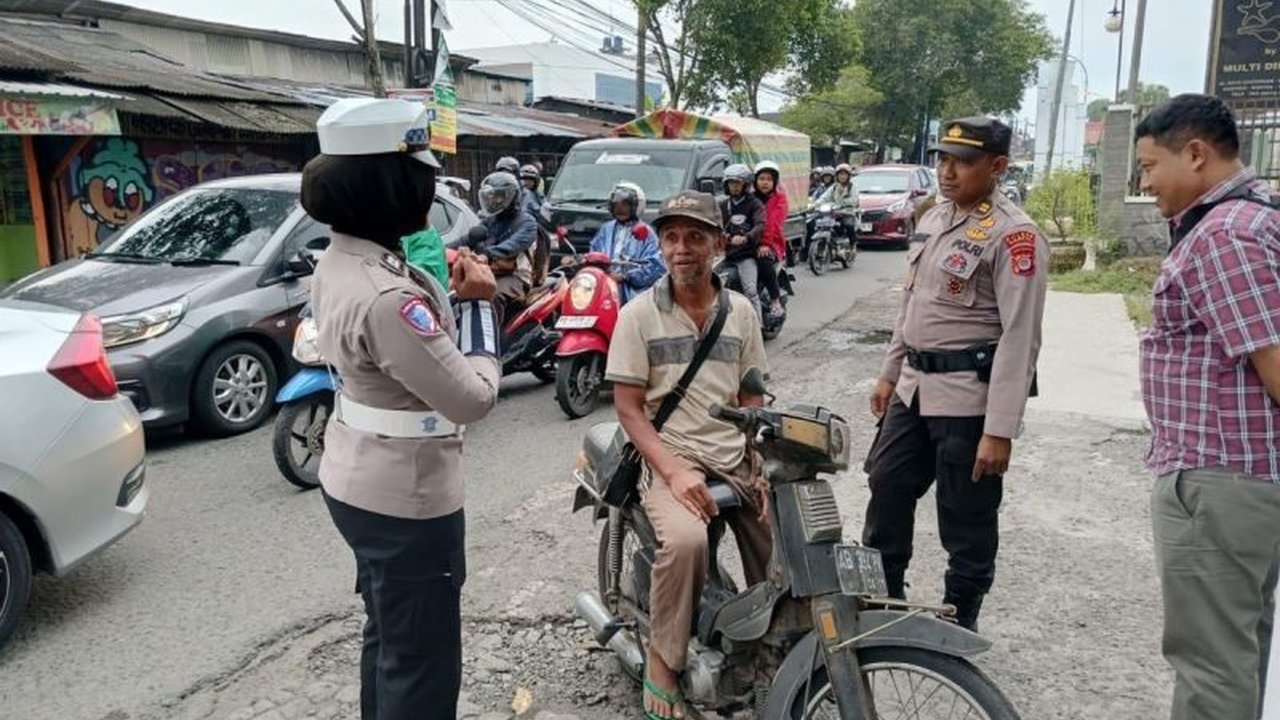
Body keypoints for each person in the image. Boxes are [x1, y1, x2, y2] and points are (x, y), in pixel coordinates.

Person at [302, 97, 501, 720]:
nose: (430, 189)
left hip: (357, 480)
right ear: (388, 189)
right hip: (408, 501)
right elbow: (472, 398)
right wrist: (479, 309)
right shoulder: (387, 296)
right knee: (423, 664)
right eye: (420, 175)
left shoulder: (341, 260)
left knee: (389, 636)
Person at [862, 116, 1049, 632]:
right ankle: (884, 602)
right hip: (913, 388)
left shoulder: (1015, 236)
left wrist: (999, 429)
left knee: (964, 517)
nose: (947, 171)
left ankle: (957, 620)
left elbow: (1020, 338)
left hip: (968, 401)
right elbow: (912, 305)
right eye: (943, 158)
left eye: (962, 161)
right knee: (886, 485)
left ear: (997, 166)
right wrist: (887, 373)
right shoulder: (933, 219)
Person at [1135, 94, 1280, 720]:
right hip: (1239, 476)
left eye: (1148, 166)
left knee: (1212, 665)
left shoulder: (1224, 236)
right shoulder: (1257, 219)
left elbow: (1274, 362)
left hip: (1221, 476)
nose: (1144, 184)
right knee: (1240, 649)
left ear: (1195, 154)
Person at [604, 190, 772, 720]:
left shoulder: (741, 311)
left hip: (733, 456)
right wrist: (674, 473)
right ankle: (663, 660)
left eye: (695, 237)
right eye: (672, 237)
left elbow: (752, 396)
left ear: (718, 244)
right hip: (670, 454)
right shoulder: (637, 316)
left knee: (785, 541)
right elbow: (629, 410)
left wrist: (761, 461)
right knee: (686, 540)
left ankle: (775, 644)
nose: (682, 249)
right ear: (660, 245)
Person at [587, 181, 665, 303]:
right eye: (616, 205)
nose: (620, 209)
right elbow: (594, 254)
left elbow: (657, 266)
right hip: (604, 288)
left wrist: (626, 276)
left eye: (625, 205)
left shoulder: (647, 233)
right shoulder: (606, 229)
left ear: (636, 206)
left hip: (634, 295)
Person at [475, 171, 538, 319]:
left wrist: (486, 254)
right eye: (491, 196)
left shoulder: (527, 222)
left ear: (511, 197)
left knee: (493, 296)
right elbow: (467, 239)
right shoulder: (490, 220)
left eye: (499, 196)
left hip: (515, 276)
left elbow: (511, 247)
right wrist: (444, 249)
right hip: (487, 272)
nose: (494, 200)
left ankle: (491, 339)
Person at [719, 163, 766, 320]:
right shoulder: (723, 205)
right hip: (725, 253)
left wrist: (746, 237)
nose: (734, 187)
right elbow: (715, 224)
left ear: (745, 184)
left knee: (750, 291)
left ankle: (757, 327)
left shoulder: (755, 204)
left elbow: (760, 224)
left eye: (737, 183)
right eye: (731, 183)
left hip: (746, 254)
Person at [753, 160, 790, 314]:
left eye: (769, 179)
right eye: (762, 179)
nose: (765, 183)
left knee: (763, 261)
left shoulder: (780, 199)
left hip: (772, 242)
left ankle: (774, 300)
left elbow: (773, 224)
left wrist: (765, 243)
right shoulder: (750, 198)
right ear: (756, 181)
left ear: (774, 182)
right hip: (749, 242)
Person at [817, 162, 860, 241]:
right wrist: (815, 204)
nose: (842, 177)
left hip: (847, 212)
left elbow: (854, 200)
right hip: (834, 213)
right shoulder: (834, 187)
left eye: (844, 174)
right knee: (822, 224)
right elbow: (825, 197)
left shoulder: (852, 187)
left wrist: (840, 204)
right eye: (840, 174)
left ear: (848, 176)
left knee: (849, 225)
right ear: (837, 176)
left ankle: (852, 244)